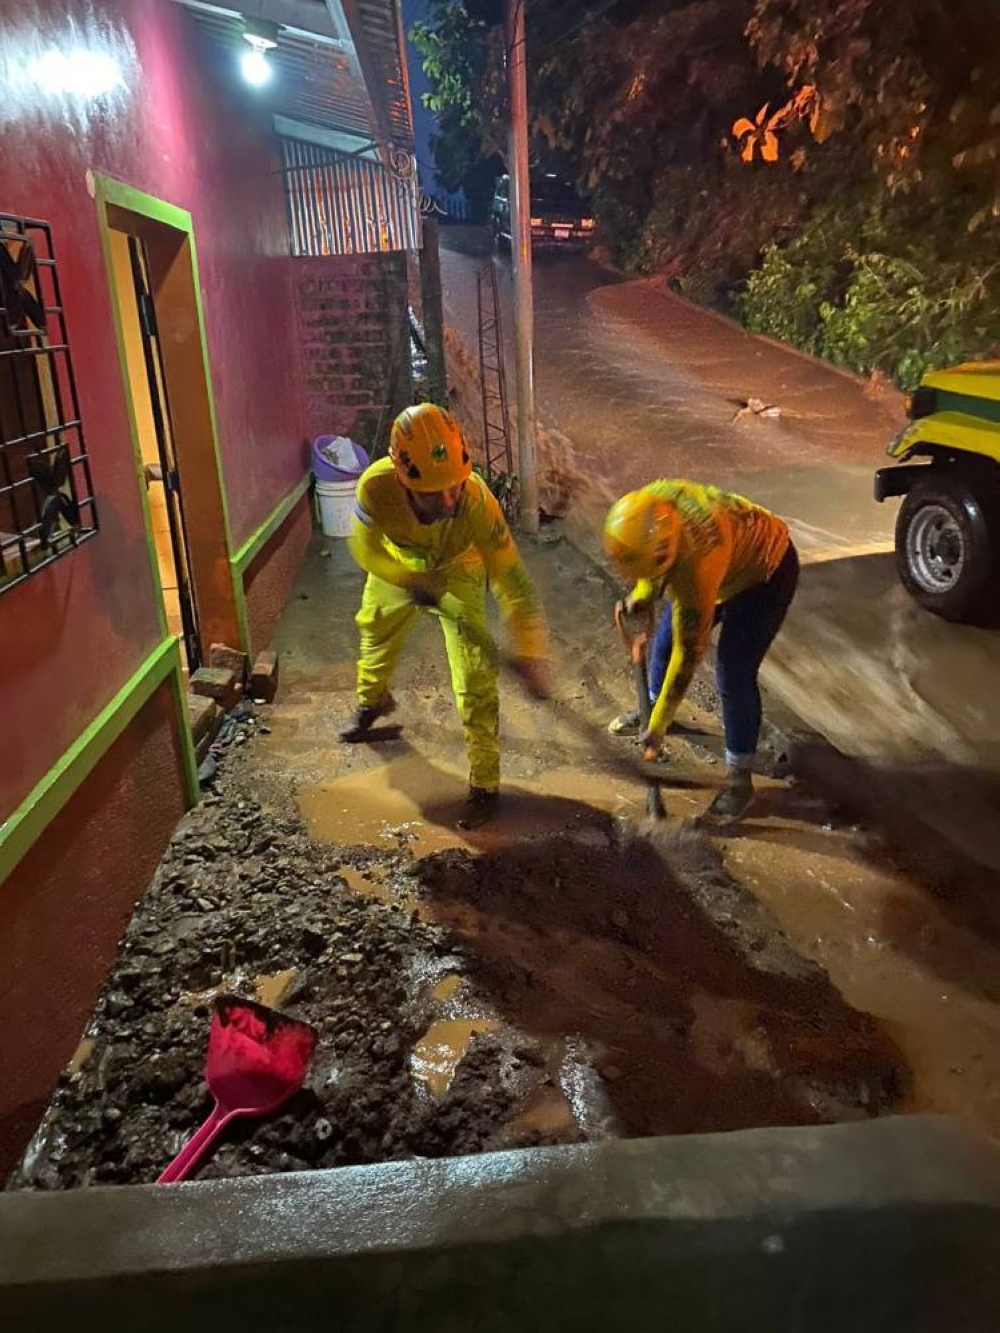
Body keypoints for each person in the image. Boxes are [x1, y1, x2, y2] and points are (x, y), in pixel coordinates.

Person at [341, 403, 550, 828]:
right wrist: (402, 577)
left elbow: (515, 585)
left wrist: (530, 653)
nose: (449, 500)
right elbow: (362, 547)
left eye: (454, 486)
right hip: (400, 563)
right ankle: (371, 702)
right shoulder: (375, 488)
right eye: (435, 493)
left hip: (459, 566)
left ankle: (485, 783)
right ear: (402, 477)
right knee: (375, 630)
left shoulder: (476, 502)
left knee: (474, 677)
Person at [603, 479, 799, 821]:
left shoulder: (697, 566)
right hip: (725, 559)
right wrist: (642, 595)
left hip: (765, 571)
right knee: (662, 643)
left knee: (733, 673)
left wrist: (660, 725)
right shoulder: (650, 507)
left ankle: (739, 782)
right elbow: (655, 558)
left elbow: (689, 655)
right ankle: (649, 709)